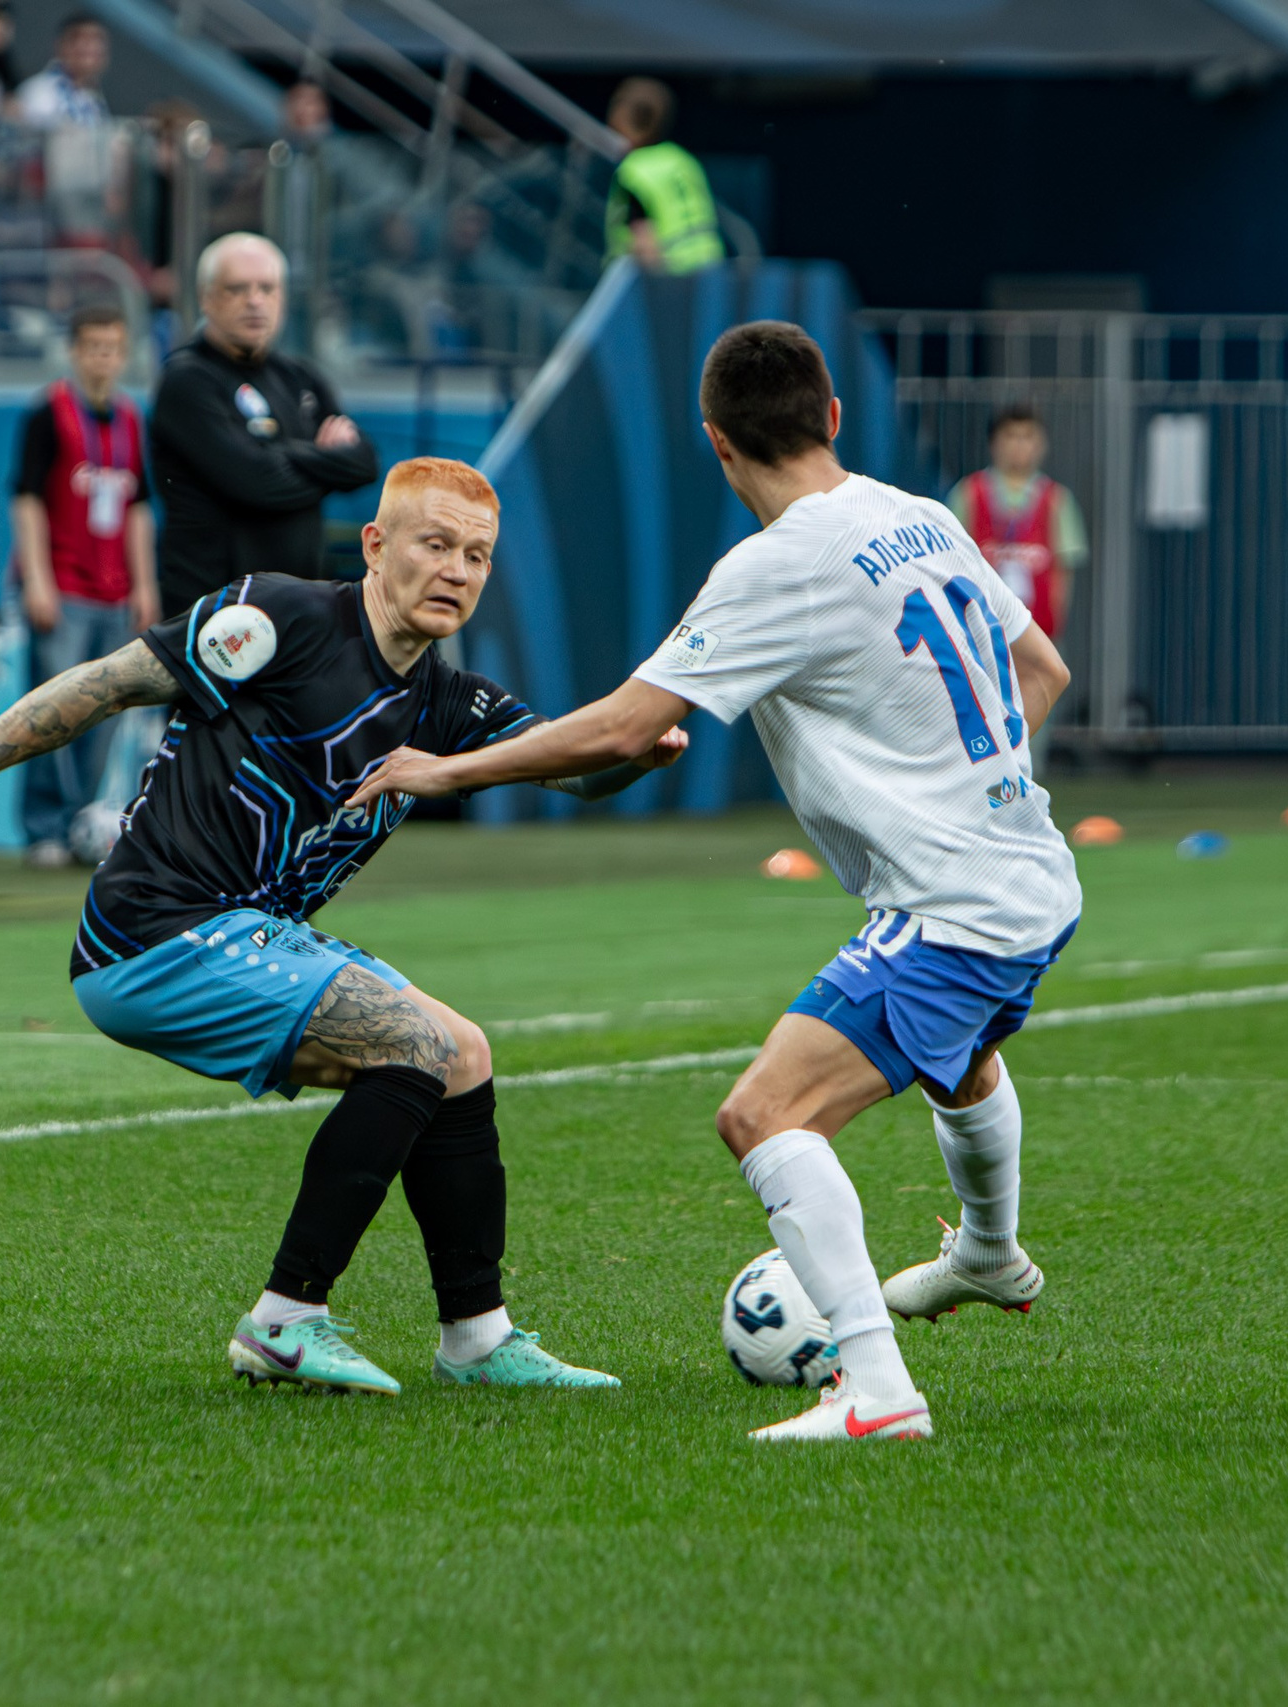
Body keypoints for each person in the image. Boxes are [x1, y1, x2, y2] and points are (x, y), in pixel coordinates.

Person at [351, 323, 1079, 1444]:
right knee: (962, 1053)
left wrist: (447, 768)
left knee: (764, 1114)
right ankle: (988, 1255)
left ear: (715, 445)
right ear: (833, 416)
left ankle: (876, 1392)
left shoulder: (777, 561)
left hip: (958, 903)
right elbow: (1044, 669)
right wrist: (969, 793)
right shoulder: (922, 514)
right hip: (1032, 870)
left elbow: (627, 725)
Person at [0, 458, 678, 1395]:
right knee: (410, 1042)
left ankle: (477, 1337)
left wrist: (635, 757)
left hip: (249, 932)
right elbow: (106, 682)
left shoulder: (452, 702)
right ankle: (285, 1320)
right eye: (436, 543)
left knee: (461, 1051)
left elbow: (570, 767)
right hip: (152, 931)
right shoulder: (279, 617)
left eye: (477, 555)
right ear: (376, 546)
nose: (457, 569)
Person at [149, 232, 375, 608]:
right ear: (207, 298)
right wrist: (325, 463)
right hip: (215, 613)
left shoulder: (300, 376)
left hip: (300, 607)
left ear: (283, 298)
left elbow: (365, 463)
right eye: (238, 288)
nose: (255, 301)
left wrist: (279, 456)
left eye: (267, 288)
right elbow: (257, 481)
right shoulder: (186, 380)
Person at [11, 300, 159, 867]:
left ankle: (81, 824)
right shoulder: (48, 414)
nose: (102, 359)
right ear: (75, 351)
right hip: (65, 588)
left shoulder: (129, 419)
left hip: (114, 592)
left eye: (112, 348)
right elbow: (26, 498)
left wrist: (144, 585)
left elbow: (140, 507)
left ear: (124, 354)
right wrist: (38, 580)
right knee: (51, 709)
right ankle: (42, 827)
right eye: (92, 347)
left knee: (103, 713)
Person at [944, 403, 1088, 648]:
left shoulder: (1057, 500)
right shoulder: (967, 494)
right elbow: (948, 560)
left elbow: (1063, 574)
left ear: (1042, 445)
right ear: (994, 443)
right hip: (978, 633)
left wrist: (1052, 630)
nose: (1019, 445)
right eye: (1011, 436)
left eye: (1027, 437)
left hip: (1037, 634)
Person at [602, 76, 723, 274]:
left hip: (669, 281)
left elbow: (646, 246)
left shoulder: (634, 172)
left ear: (622, 119)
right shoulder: (682, 160)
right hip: (709, 277)